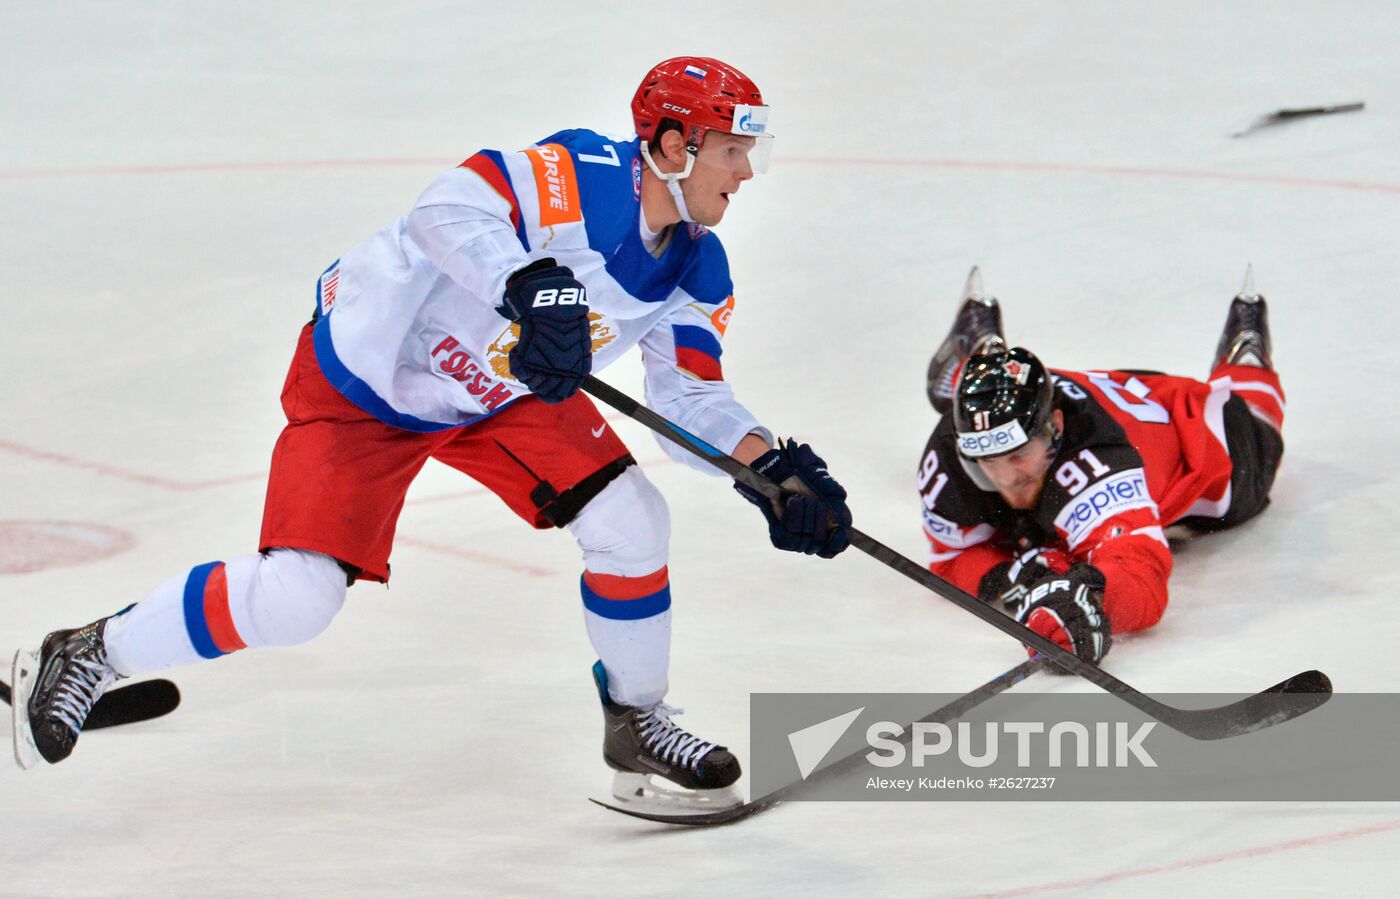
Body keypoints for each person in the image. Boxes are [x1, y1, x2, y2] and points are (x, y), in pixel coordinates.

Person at [11, 57, 853, 812]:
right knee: (299, 599)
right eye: (730, 150)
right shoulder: (583, 175)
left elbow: (690, 395)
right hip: (373, 378)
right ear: (671, 143)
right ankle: (92, 651)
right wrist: (527, 281)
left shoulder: (698, 267)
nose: (745, 174)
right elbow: (446, 208)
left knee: (634, 521)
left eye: (751, 152)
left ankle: (636, 718)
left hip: (500, 390)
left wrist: (767, 468)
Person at [918, 266, 1284, 666]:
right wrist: (1011, 576)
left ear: (1055, 428)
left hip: (1203, 432)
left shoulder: (1098, 462)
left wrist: (1091, 601)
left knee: (1260, 437)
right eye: (987, 461)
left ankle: (1245, 352)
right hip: (1100, 396)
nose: (1008, 480)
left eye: (1018, 456)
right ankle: (984, 352)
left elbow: (1141, 572)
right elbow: (952, 558)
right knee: (998, 394)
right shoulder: (951, 452)